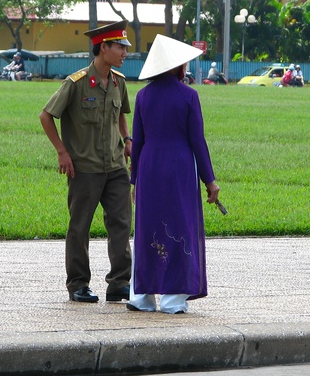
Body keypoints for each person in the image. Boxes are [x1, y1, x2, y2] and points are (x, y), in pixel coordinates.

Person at [39, 20, 133, 304]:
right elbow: (46, 115)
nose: (124, 52)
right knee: (79, 227)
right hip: (85, 169)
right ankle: (78, 284)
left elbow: (120, 115)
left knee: (121, 224)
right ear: (103, 48)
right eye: (120, 47)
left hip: (116, 167)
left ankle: (119, 283)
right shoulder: (76, 83)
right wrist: (61, 152)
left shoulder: (119, 81)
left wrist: (127, 141)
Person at [127, 34, 220, 314]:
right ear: (178, 67)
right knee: (179, 225)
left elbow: (138, 142)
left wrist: (134, 180)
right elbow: (197, 141)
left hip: (149, 167)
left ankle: (141, 297)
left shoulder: (143, 96)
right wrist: (209, 180)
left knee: (147, 227)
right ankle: (172, 299)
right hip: (179, 167)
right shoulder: (189, 96)